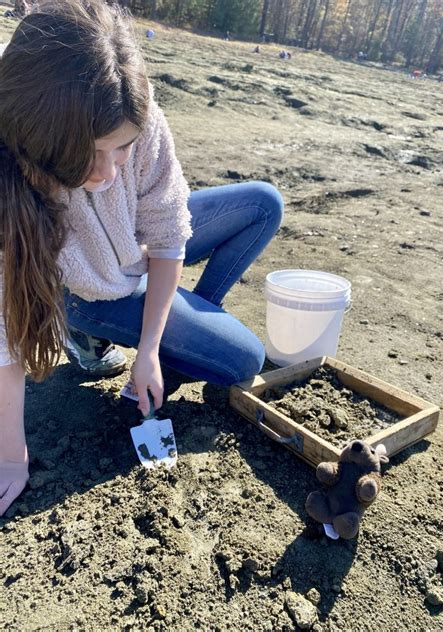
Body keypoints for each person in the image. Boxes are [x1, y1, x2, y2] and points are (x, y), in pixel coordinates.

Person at [0, 0, 284, 516]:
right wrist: (10, 456)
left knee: (262, 203)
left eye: (123, 148)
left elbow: (172, 232)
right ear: (42, 141)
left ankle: (171, 339)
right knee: (245, 360)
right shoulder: (12, 168)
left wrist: (152, 348)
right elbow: (5, 331)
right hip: (93, 290)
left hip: (138, 250)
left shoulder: (138, 111)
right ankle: (90, 330)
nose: (109, 173)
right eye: (90, 154)